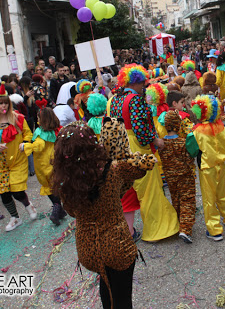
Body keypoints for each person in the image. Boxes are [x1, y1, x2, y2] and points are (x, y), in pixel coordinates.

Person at [52, 120, 155, 309]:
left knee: (105, 282)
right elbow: (138, 172)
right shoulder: (112, 170)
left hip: (88, 248)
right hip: (117, 245)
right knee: (123, 298)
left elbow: (72, 211)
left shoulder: (64, 182)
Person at [108, 64, 179, 242]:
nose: (144, 86)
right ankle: (157, 230)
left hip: (119, 146)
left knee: (128, 191)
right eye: (142, 83)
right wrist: (156, 141)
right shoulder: (135, 100)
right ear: (135, 82)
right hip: (136, 147)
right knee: (149, 189)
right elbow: (140, 129)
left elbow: (110, 128)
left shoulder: (114, 100)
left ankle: (129, 231)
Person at [0, 84, 35, 232]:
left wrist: (25, 143)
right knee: (4, 193)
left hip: (17, 158)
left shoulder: (18, 118)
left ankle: (28, 206)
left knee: (17, 190)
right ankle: (15, 217)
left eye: (5, 103)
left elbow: (28, 133)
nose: (3, 105)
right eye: (0, 103)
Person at [190, 95, 225, 241]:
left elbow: (192, 150)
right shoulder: (221, 127)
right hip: (220, 164)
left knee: (209, 197)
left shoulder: (196, 131)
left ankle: (214, 230)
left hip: (206, 167)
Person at [20, 108, 66, 225]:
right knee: (55, 185)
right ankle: (60, 211)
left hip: (44, 164)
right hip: (54, 162)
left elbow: (39, 146)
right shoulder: (55, 131)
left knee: (49, 187)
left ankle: (56, 209)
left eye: (38, 118)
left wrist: (25, 147)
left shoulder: (41, 133)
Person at [158, 110, 197, 244]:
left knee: (176, 198)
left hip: (169, 176)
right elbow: (190, 158)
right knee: (187, 200)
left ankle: (178, 223)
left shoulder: (162, 144)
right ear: (178, 124)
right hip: (185, 176)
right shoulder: (183, 142)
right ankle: (185, 230)